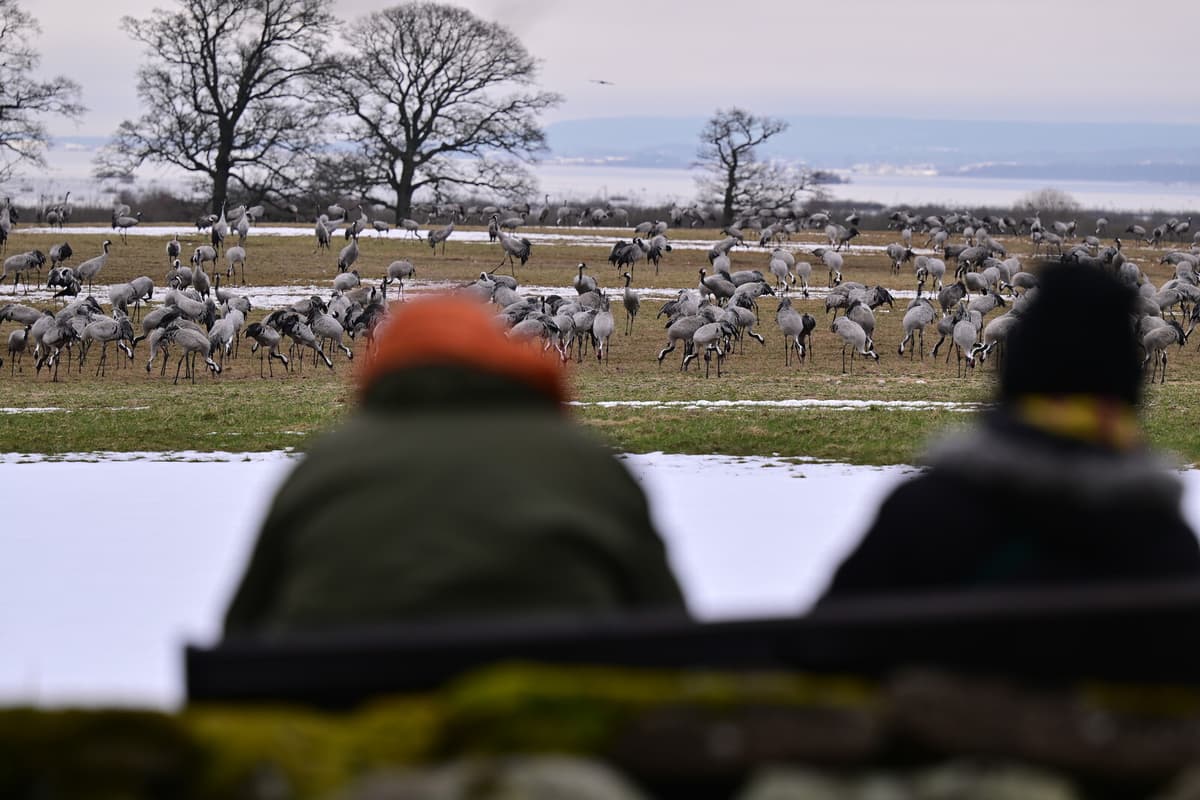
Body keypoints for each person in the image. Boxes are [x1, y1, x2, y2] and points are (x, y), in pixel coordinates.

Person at [224, 295, 686, 635]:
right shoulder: (587, 463)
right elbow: (666, 624)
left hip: (354, 735)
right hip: (550, 728)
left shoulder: (322, 468)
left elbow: (243, 631)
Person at [821, 262, 1200, 599]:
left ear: (1010, 374)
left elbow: (823, 648)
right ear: (1129, 387)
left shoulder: (919, 517)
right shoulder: (1165, 549)